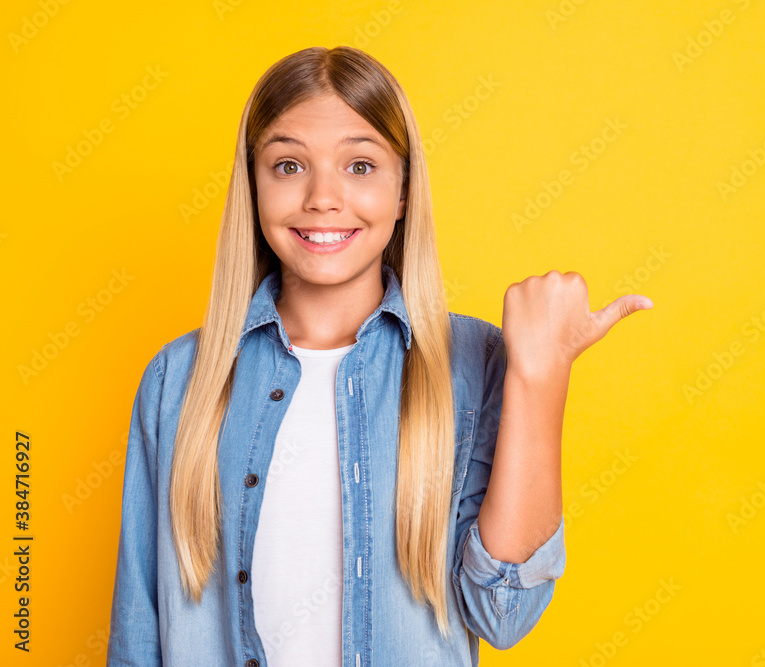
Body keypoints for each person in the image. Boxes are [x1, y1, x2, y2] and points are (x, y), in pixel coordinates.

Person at [106, 45, 652, 667]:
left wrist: (541, 376)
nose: (322, 197)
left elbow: (502, 614)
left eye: (360, 167)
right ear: (253, 186)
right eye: (288, 166)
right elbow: (137, 636)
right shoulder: (180, 379)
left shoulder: (473, 364)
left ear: (402, 191)